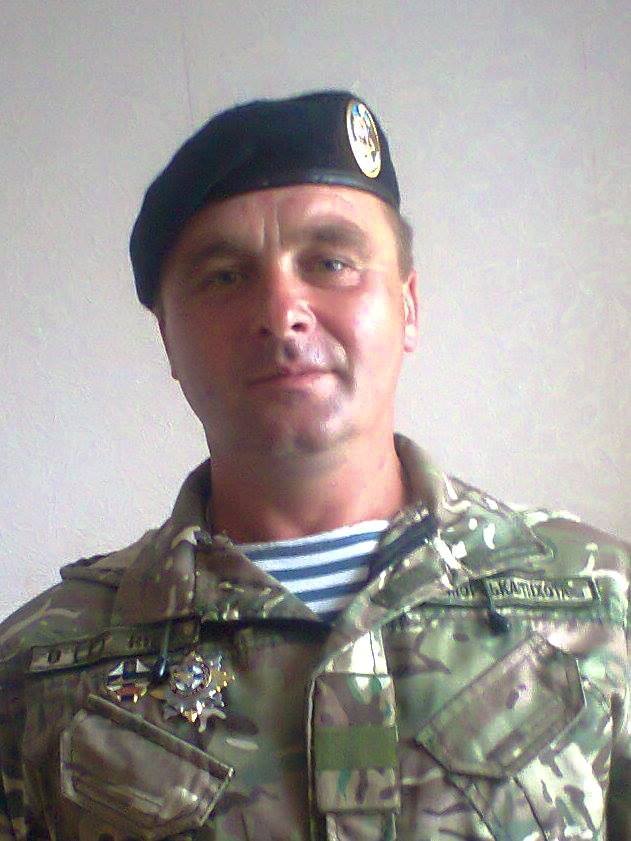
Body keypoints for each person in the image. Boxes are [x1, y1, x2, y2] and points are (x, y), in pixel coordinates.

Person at [0, 90, 628, 841]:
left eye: (331, 262)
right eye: (224, 276)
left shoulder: (603, 599)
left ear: (408, 307)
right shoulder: (38, 668)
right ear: (168, 338)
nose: (281, 310)